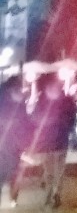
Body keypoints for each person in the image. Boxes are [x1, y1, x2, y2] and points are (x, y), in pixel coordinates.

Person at [30, 73, 76, 208]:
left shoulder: (42, 100)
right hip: (59, 140)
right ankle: (55, 195)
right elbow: (73, 119)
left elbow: (34, 118)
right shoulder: (67, 100)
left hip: (49, 142)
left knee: (50, 171)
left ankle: (51, 195)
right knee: (57, 171)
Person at [0, 76, 31, 206]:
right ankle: (13, 199)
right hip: (14, 144)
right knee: (15, 173)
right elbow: (25, 122)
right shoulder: (19, 100)